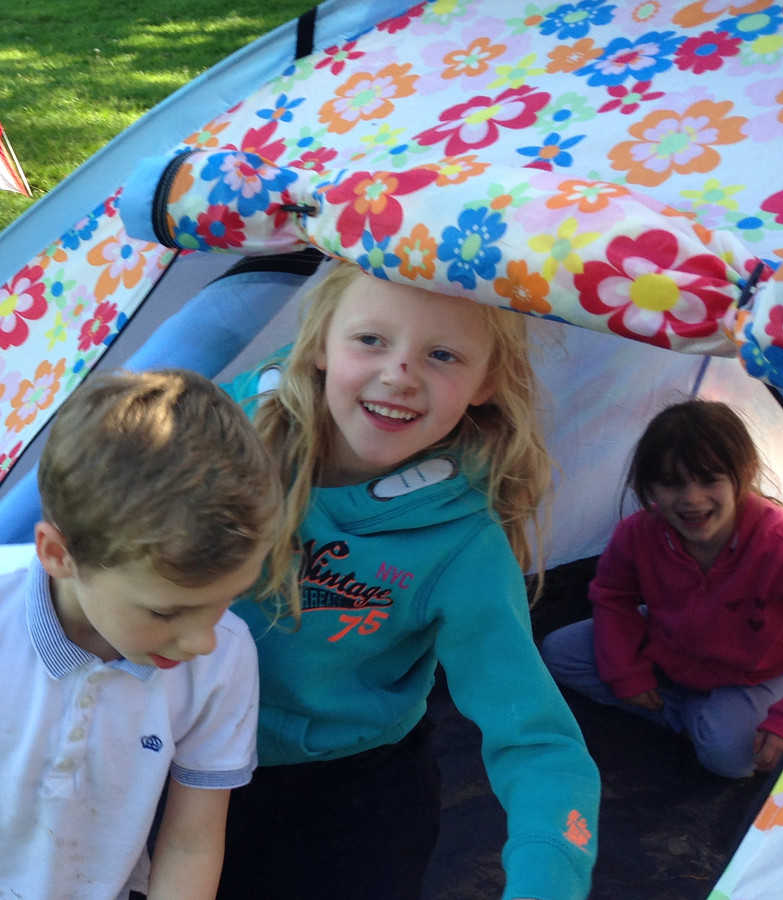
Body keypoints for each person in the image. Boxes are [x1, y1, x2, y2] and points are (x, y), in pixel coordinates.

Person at [0, 368, 284, 900]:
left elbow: (191, 842)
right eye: (168, 612)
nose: (203, 640)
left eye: (225, 601)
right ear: (59, 555)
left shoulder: (226, 658)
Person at [214, 259, 599, 900]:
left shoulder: (463, 546)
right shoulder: (223, 434)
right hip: (190, 755)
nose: (400, 373)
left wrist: (548, 877)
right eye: (371, 340)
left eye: (443, 355)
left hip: (351, 790)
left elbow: (538, 743)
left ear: (486, 382)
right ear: (318, 345)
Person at [541, 400, 783, 779]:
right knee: (558, 653)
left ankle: (701, 720)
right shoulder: (639, 533)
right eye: (671, 483)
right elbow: (613, 598)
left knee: (734, 757)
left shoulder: (776, 542)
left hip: (756, 670)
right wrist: (626, 674)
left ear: (745, 472)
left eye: (709, 480)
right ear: (650, 485)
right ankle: (689, 717)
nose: (691, 499)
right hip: (672, 645)